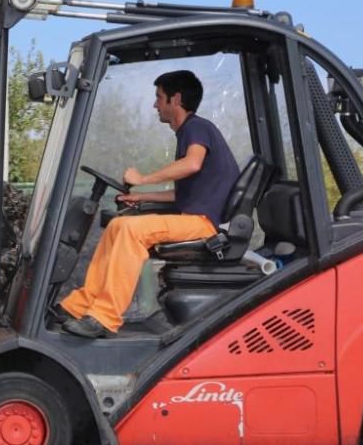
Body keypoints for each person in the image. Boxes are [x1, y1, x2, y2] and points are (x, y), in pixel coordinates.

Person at [57, 70, 240, 338]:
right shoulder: (190, 132)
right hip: (193, 218)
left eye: (159, 97)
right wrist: (141, 197)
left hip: (204, 225)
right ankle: (80, 304)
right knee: (119, 225)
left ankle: (104, 318)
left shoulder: (196, 127)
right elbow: (183, 195)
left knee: (132, 231)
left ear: (175, 100)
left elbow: (191, 164)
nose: (155, 105)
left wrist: (142, 179)